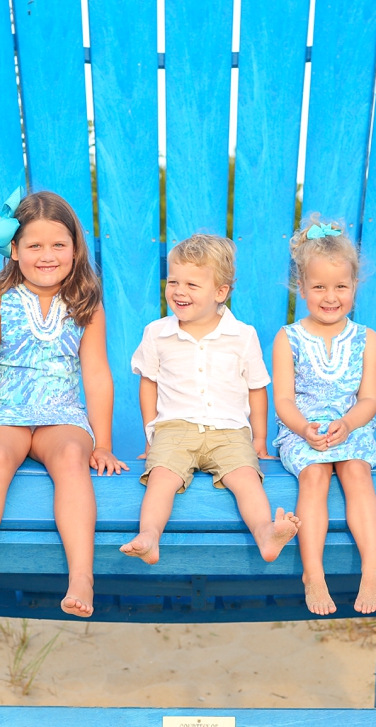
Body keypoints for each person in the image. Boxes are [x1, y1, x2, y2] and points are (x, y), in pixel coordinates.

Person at [0, 189, 127, 644]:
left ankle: (82, 576)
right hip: (5, 408)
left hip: (62, 410)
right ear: (15, 250)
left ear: (75, 249)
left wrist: (102, 442)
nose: (47, 255)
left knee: (70, 459)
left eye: (59, 245)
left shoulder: (86, 304)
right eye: (35, 246)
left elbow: (97, 374)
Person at [120, 233, 300, 565]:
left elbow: (256, 388)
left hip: (229, 431)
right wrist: (151, 434)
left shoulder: (242, 335)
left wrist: (259, 440)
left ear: (220, 292)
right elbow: (149, 384)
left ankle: (266, 534)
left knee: (246, 478)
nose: (179, 291)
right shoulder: (157, 333)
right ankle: (149, 536)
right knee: (161, 477)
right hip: (175, 428)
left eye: (191, 284)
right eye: (173, 281)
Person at [272, 218, 376, 616]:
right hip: (303, 429)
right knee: (315, 476)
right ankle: (313, 573)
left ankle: (373, 568)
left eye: (340, 286)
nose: (330, 296)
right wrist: (304, 428)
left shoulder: (367, 340)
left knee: (356, 472)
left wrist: (349, 424)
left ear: (354, 286)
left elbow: (369, 398)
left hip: (351, 425)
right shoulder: (288, 338)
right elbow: (282, 400)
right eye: (318, 287)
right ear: (301, 289)